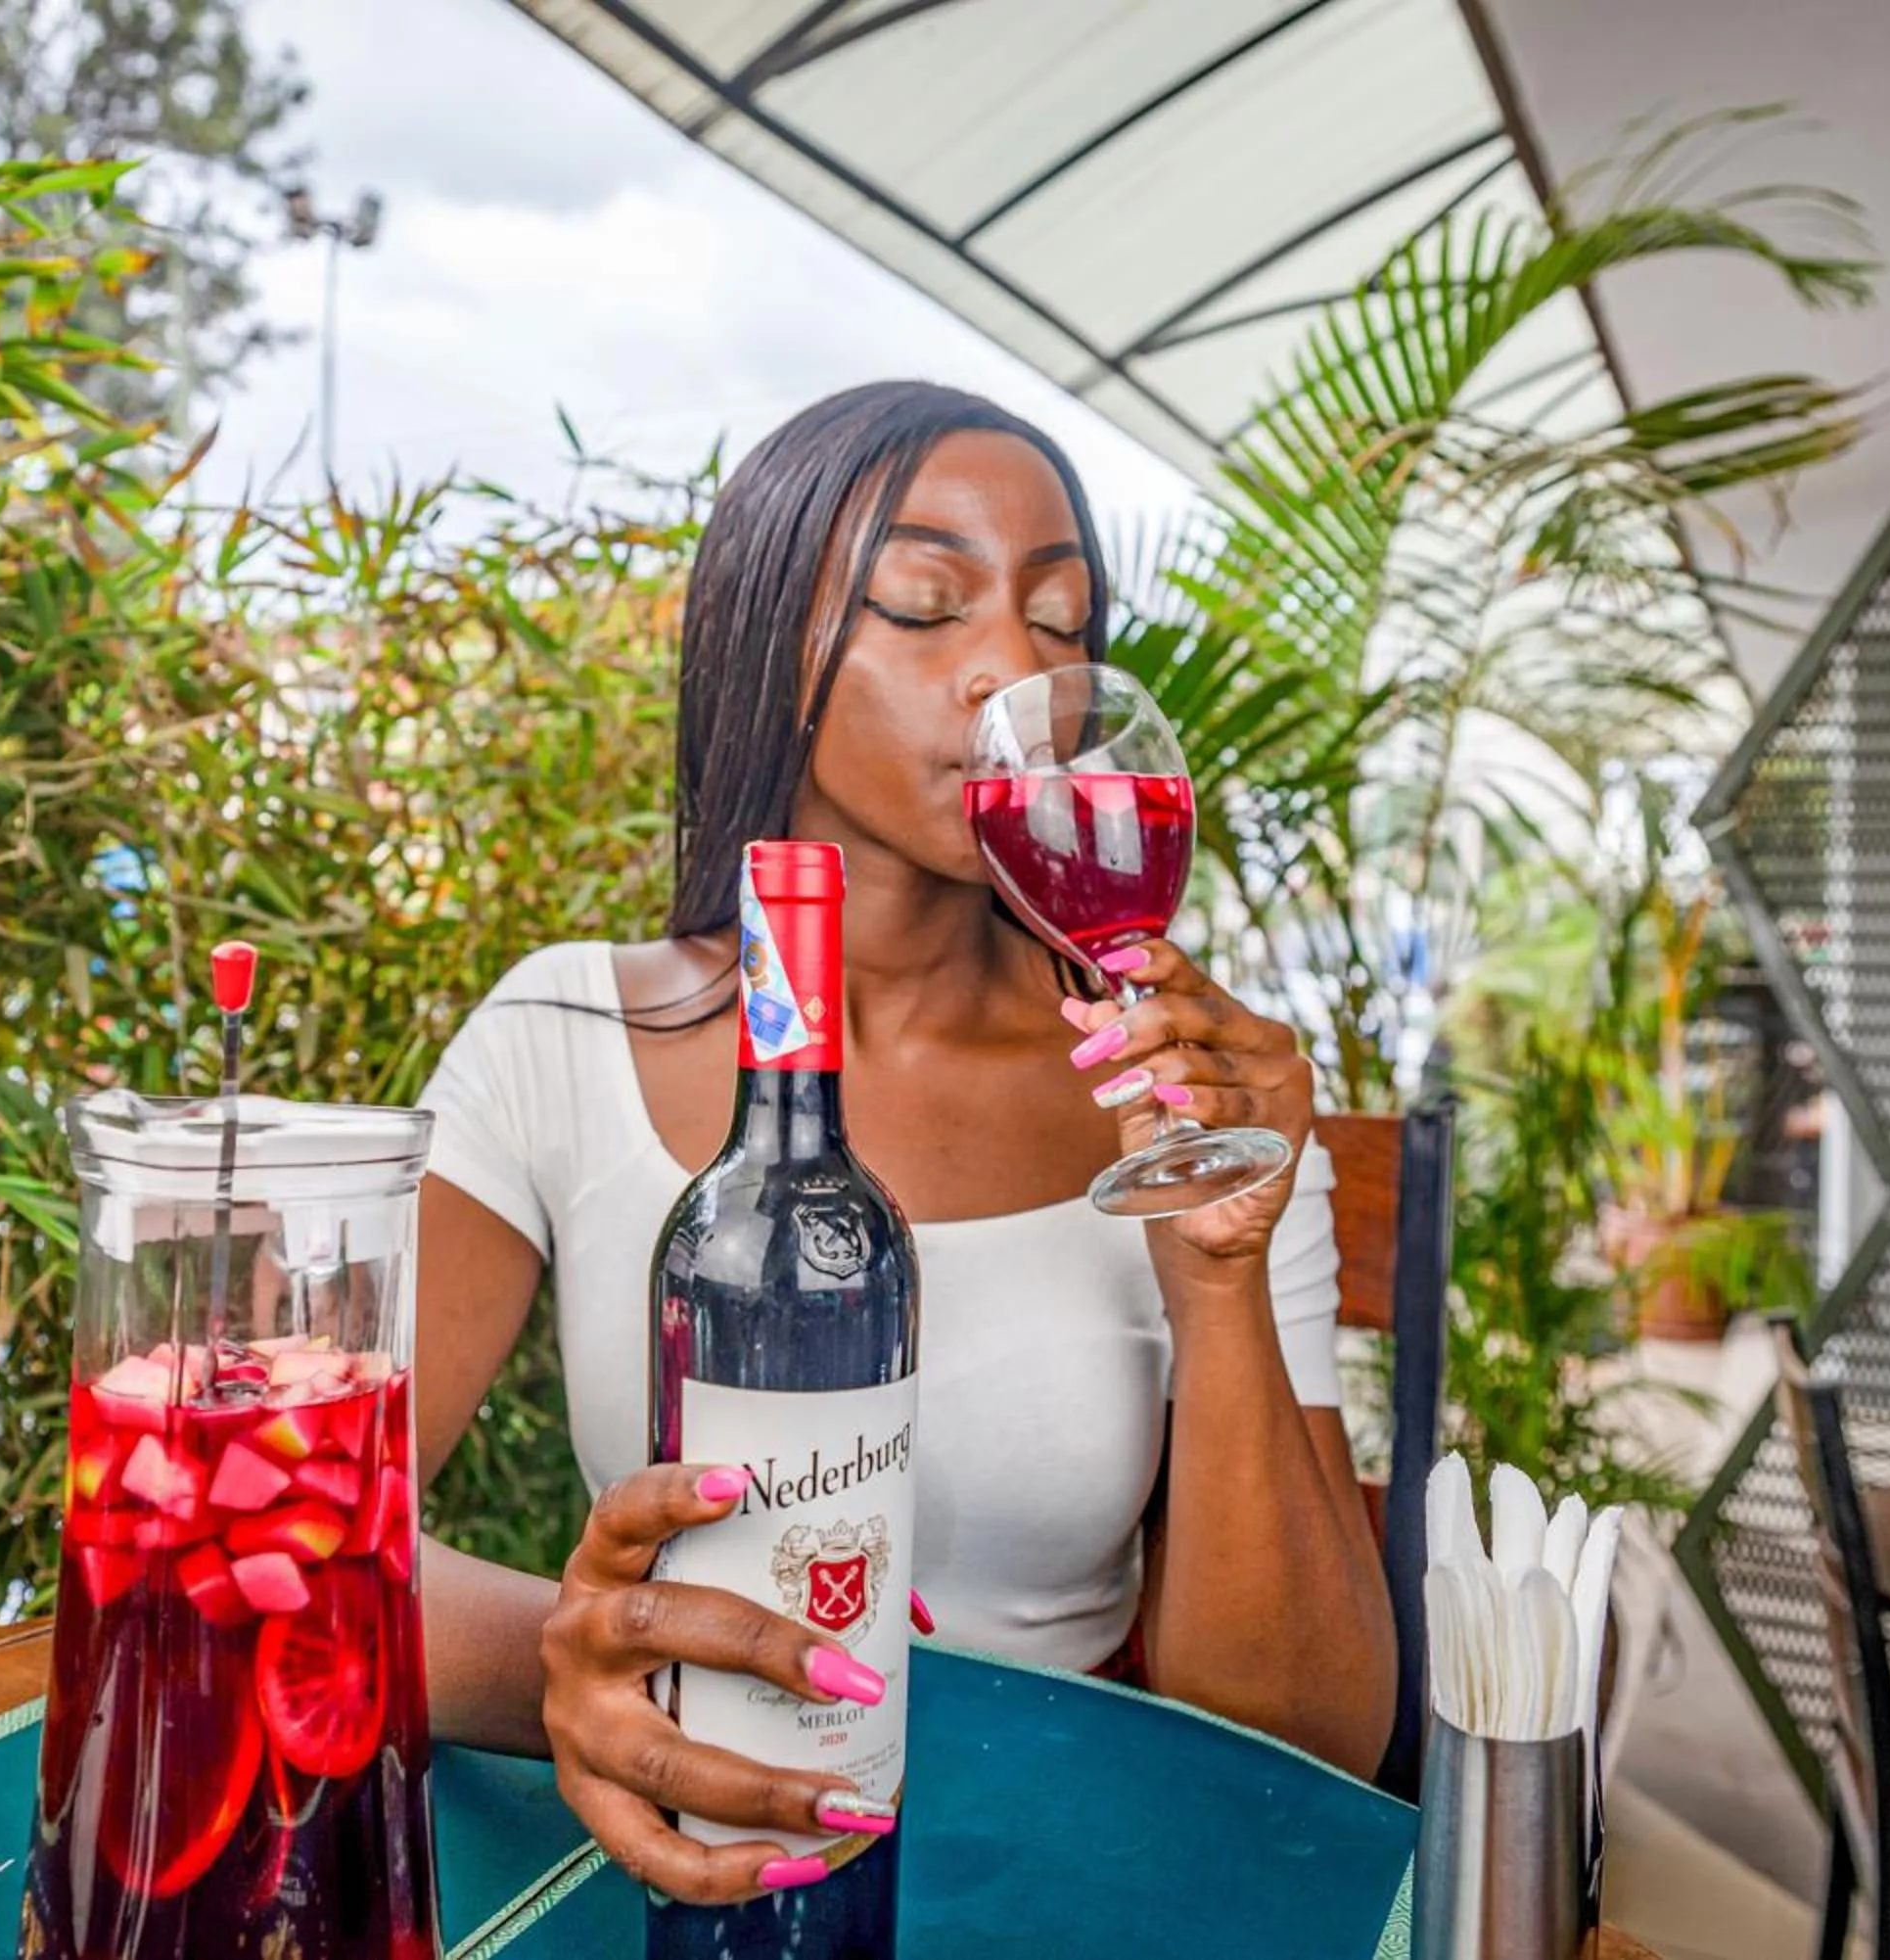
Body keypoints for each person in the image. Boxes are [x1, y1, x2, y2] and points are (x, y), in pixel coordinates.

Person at [410, 381, 1395, 1905]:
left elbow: (1305, 1736)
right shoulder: (564, 1037)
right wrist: (584, 1661)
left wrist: (1217, 1265)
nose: (1014, 666)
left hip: (1075, 1866)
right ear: (765, 647)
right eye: (927, 605)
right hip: (707, 1859)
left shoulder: (1195, 1093)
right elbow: (300, 1540)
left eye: (1063, 623)